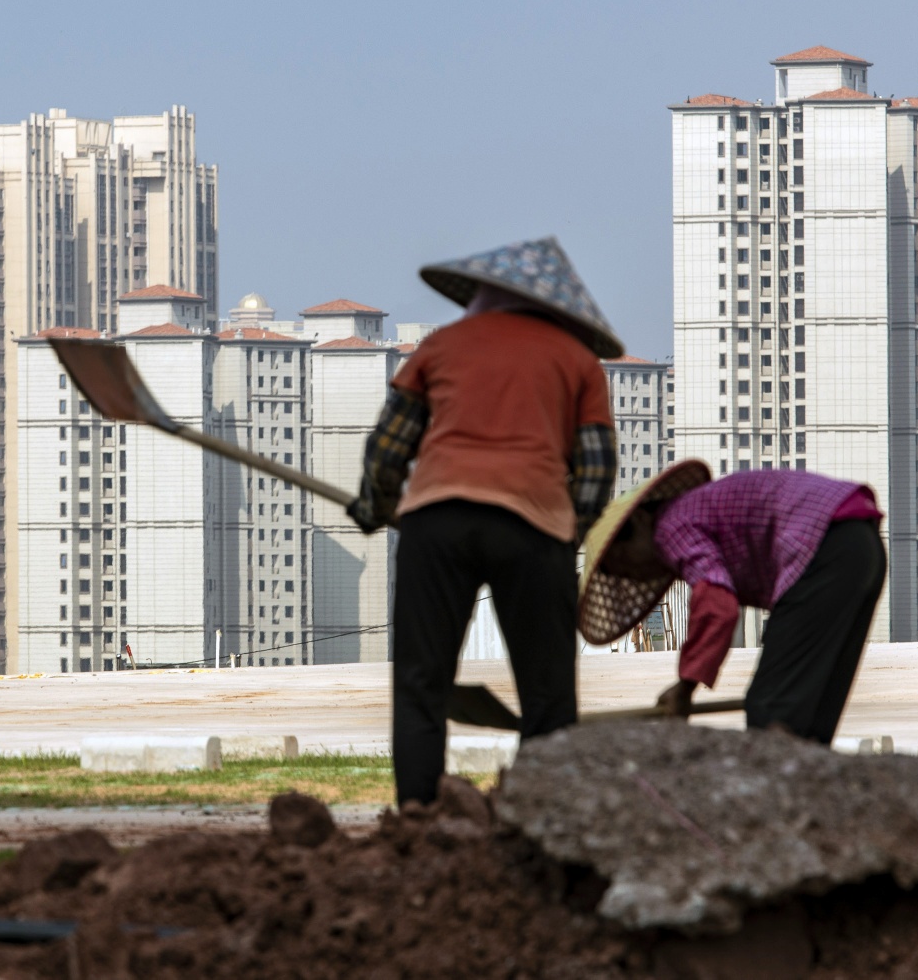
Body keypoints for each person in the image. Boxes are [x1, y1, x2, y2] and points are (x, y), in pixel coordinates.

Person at [346, 235, 622, 809]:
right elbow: (596, 469)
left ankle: (418, 813)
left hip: (437, 520)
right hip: (532, 525)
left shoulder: (442, 345)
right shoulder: (576, 360)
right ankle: (544, 814)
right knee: (548, 693)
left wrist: (375, 505)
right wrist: (566, 529)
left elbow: (389, 447)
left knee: (421, 684)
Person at [578, 460, 887, 742]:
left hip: (823, 545)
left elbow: (717, 606)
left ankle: (776, 792)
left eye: (624, 561)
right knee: (813, 707)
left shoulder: (669, 526)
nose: (633, 575)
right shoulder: (695, 512)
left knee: (770, 710)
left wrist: (685, 686)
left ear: (643, 521)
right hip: (862, 545)